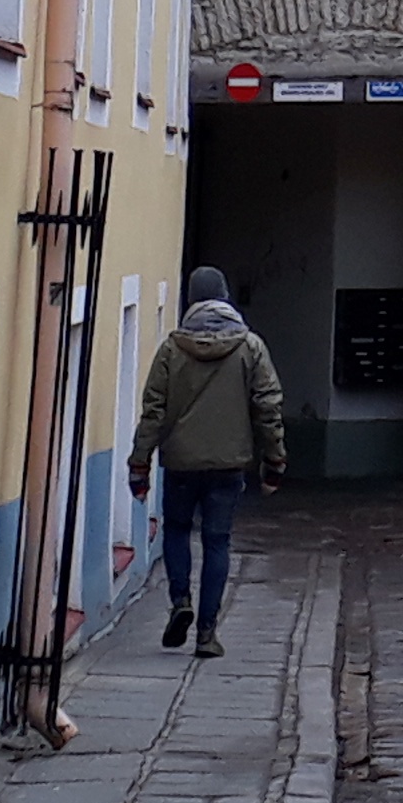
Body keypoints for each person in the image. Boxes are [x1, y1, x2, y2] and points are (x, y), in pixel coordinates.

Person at [126, 265, 284, 654]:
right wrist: (274, 461)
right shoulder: (251, 347)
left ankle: (181, 601)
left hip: (181, 464)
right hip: (229, 465)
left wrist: (139, 464)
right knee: (218, 542)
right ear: (226, 295)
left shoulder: (171, 349)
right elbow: (268, 407)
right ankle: (207, 634)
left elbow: (154, 411)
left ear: (191, 299)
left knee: (177, 531)